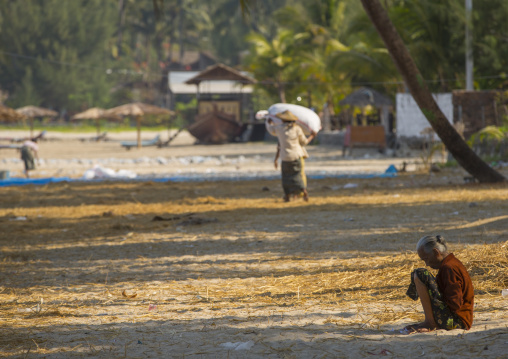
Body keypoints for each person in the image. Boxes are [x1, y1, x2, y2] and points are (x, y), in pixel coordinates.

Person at [404, 235, 474, 333]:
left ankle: (430, 323)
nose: (427, 264)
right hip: (458, 319)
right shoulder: (450, 263)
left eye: (426, 259)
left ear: (436, 252)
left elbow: (455, 303)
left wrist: (435, 296)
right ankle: (430, 321)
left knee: (420, 274)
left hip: (457, 321)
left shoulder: (449, 267)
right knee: (418, 274)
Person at [269, 110, 316, 202]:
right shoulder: (297, 129)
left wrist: (269, 122)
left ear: (282, 120)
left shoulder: (279, 129)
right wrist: (312, 136)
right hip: (296, 156)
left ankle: (287, 196)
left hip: (285, 157)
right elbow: (304, 142)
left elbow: (271, 130)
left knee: (286, 177)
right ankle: (304, 193)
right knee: (297, 176)